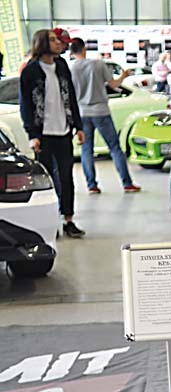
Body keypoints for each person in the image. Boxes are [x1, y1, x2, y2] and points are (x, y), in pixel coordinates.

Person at [19, 29, 86, 237]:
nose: (58, 43)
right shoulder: (30, 71)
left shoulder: (62, 66)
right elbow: (26, 105)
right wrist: (32, 134)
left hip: (64, 131)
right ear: (42, 43)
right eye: (53, 40)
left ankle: (68, 220)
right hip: (43, 134)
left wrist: (79, 126)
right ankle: (49, 221)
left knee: (67, 177)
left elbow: (71, 97)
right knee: (46, 180)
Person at [68, 38, 140, 195]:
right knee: (114, 148)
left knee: (86, 150)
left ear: (72, 52)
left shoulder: (70, 68)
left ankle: (91, 185)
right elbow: (113, 85)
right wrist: (123, 76)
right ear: (84, 49)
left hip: (82, 113)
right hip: (101, 111)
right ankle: (127, 183)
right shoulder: (98, 64)